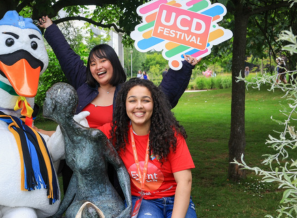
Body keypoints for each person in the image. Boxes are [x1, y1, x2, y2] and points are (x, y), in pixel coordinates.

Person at [38, 16, 198, 190]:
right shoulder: (83, 85)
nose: (97, 66)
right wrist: (50, 28)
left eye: (102, 60)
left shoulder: (127, 93)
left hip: (113, 168)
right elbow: (67, 56)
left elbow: (161, 98)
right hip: (79, 166)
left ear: (113, 63)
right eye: (92, 63)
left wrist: (184, 66)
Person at [97, 78, 197, 218]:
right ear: (124, 105)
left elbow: (185, 181)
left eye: (145, 100)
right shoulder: (115, 132)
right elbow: (80, 137)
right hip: (141, 201)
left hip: (175, 197)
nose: (139, 106)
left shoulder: (171, 135)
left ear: (154, 104)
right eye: (132, 101)